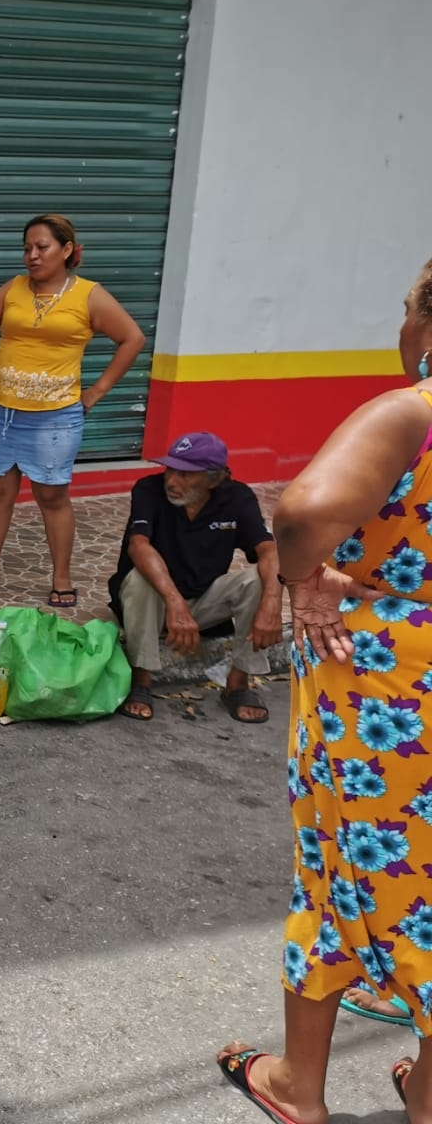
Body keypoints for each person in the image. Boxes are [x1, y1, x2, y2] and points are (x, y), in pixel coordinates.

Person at [217, 255, 432, 1124]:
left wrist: (306, 580)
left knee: (343, 871)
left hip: (391, 700)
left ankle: (298, 1089)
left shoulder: (410, 412)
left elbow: (304, 511)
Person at [0, 213, 146, 608]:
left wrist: (97, 391)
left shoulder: (89, 295)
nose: (32, 256)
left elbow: (132, 338)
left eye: (42, 247)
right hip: (0, 410)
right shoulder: (14, 289)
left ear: (67, 250)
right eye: (27, 248)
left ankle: (62, 576)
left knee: (52, 496)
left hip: (54, 416)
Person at [109, 431, 282, 723]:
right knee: (139, 580)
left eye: (187, 475)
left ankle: (238, 683)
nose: (173, 481)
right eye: (171, 469)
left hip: (202, 601)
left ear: (215, 479)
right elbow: (139, 546)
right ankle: (142, 680)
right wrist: (174, 601)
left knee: (257, 580)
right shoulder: (148, 489)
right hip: (154, 603)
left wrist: (272, 604)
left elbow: (269, 550)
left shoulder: (238, 498)